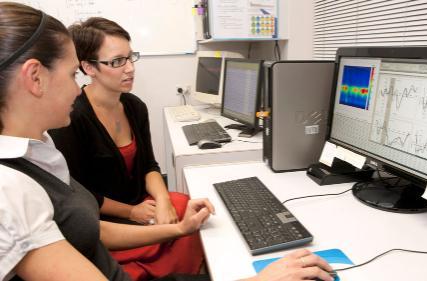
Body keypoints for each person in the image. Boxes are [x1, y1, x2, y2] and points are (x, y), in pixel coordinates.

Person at [0, 2, 334, 280]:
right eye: (73, 74)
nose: (76, 88)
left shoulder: (38, 149)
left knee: (184, 207)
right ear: (35, 77)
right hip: (121, 242)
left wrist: (177, 227)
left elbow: (89, 226)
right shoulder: (13, 187)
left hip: (119, 237)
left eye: (131, 57)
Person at [47, 17, 203, 280]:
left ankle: (179, 266)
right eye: (117, 61)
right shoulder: (72, 119)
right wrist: (132, 212)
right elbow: (82, 196)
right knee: (173, 234)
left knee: (185, 204)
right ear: (88, 67)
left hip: (142, 205)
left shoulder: (134, 106)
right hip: (107, 219)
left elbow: (150, 167)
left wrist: (163, 201)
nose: (130, 68)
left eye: (131, 57)